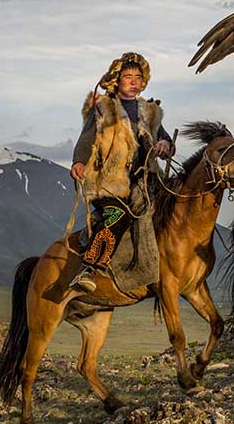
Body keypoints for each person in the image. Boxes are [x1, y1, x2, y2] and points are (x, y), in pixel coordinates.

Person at [69, 52, 173, 292]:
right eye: (128, 76)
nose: (134, 81)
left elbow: (165, 138)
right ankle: (89, 268)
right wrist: (78, 162)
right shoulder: (103, 108)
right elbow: (86, 140)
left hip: (144, 181)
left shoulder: (150, 111)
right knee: (119, 215)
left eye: (138, 77)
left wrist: (165, 145)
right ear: (117, 80)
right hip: (108, 181)